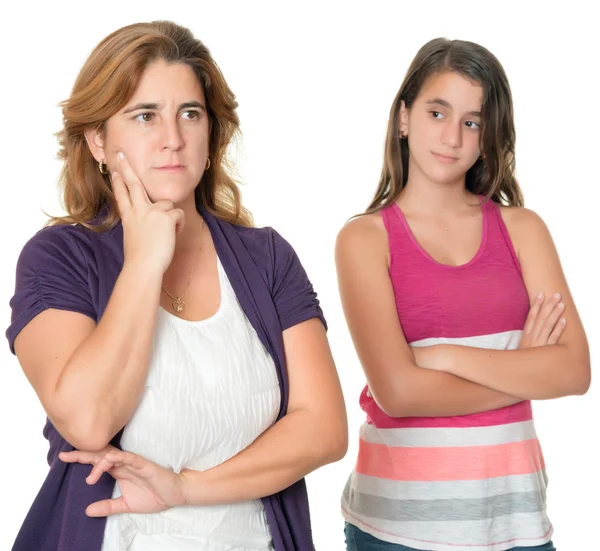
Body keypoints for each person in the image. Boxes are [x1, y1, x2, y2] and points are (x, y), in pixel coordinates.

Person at [6, 20, 347, 551]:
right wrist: (144, 262)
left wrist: (186, 489)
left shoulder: (267, 258)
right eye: (145, 116)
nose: (173, 138)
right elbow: (90, 420)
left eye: (190, 113)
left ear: (212, 132)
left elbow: (324, 429)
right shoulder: (57, 258)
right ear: (98, 140)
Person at [336, 38, 590, 551]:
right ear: (404, 117)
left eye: (472, 122)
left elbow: (575, 372)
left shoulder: (523, 229)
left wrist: (443, 357)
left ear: (486, 137)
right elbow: (399, 394)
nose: (451, 136)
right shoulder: (364, 239)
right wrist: (522, 369)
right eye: (437, 112)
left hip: (514, 518)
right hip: (397, 527)